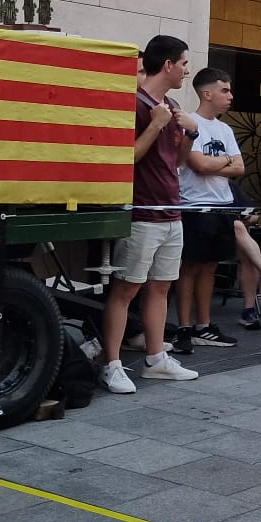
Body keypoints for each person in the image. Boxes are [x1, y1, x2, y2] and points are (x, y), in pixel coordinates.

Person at [97, 37, 200, 391]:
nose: (187, 70)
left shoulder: (170, 105)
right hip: (141, 211)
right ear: (168, 65)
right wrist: (157, 124)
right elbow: (126, 158)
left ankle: (156, 358)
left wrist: (192, 131)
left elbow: (180, 161)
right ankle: (111, 364)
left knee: (161, 287)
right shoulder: (137, 105)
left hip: (171, 210)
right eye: (184, 63)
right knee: (127, 288)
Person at [176, 67, 245, 348]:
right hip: (196, 204)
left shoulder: (225, 129)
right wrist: (225, 162)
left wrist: (221, 163)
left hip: (223, 205)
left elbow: (240, 167)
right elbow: (199, 165)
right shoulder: (189, 123)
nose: (230, 96)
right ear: (207, 93)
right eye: (224, 90)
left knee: (210, 267)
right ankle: (184, 326)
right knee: (190, 267)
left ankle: (204, 324)